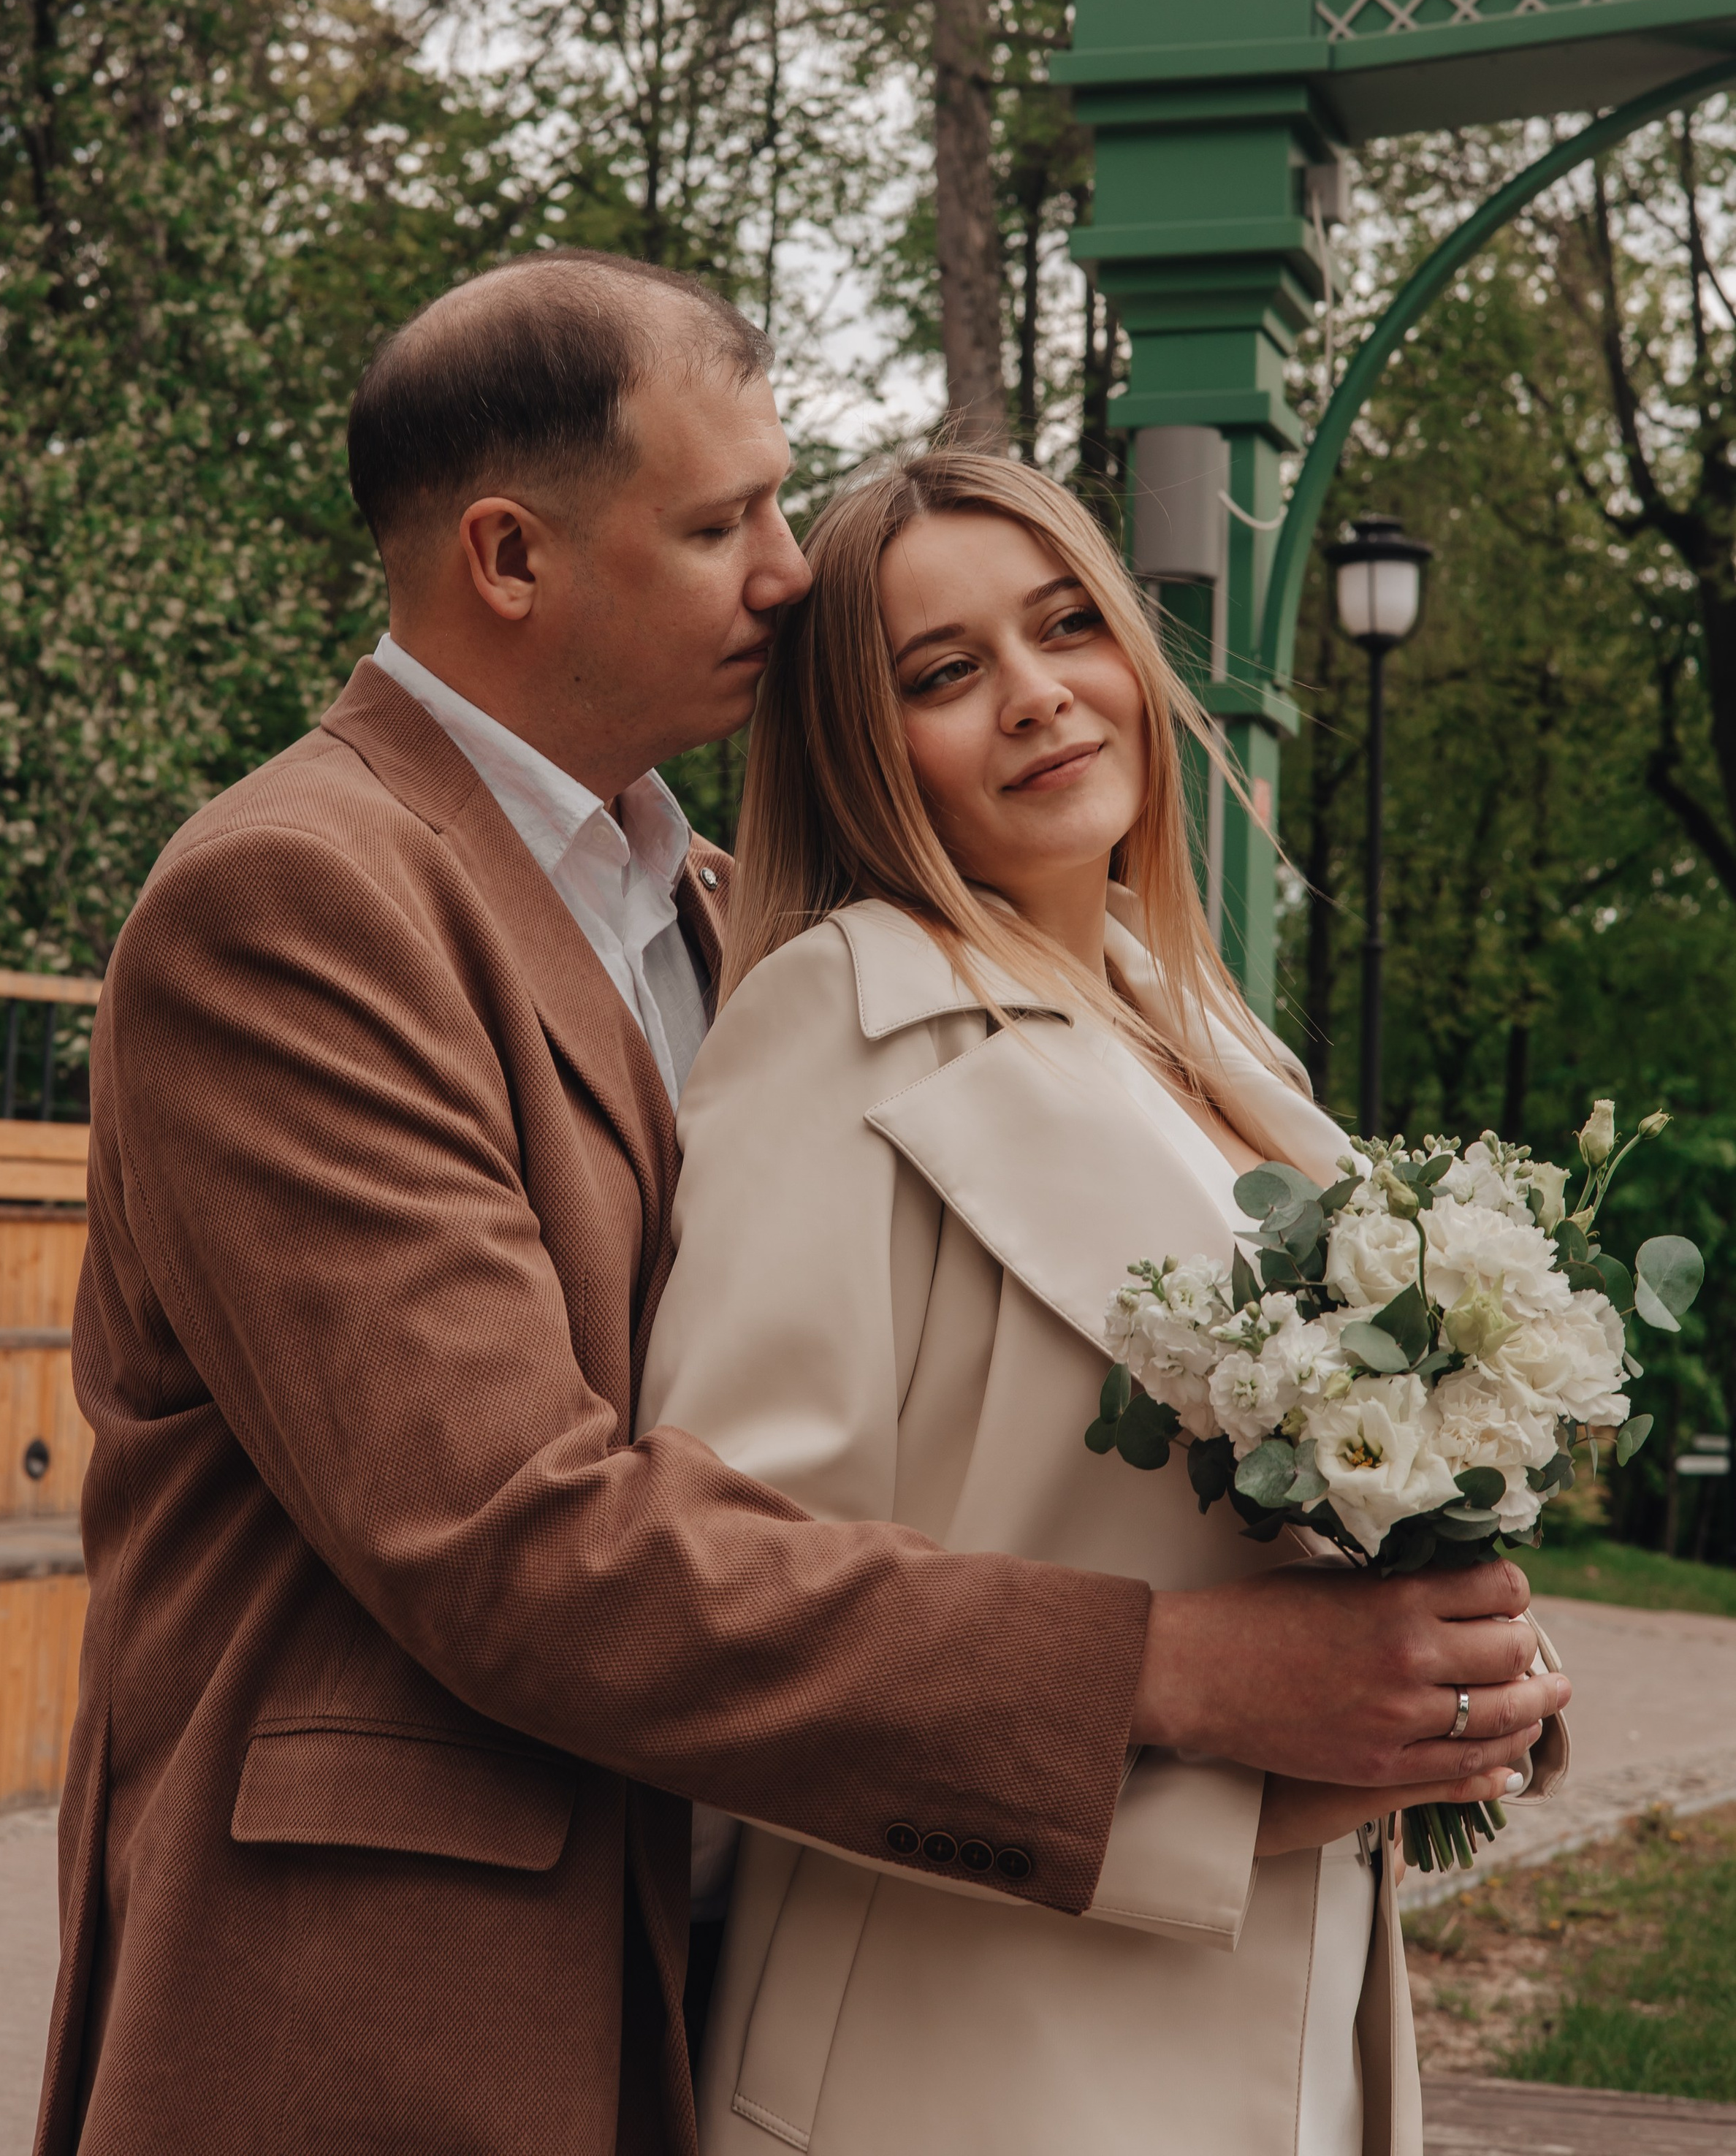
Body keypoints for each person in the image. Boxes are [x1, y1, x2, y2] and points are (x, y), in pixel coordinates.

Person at [36, 256, 1566, 2156]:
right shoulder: (292, 898)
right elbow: (508, 1529)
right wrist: (1175, 1679)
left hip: (726, 1954)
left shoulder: (699, 904)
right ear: (507, 559)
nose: (787, 569)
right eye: (722, 520)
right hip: (397, 2008)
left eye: (780, 498)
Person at [640, 448, 1569, 2156]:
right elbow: (728, 1631)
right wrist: (1246, 1798)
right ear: (861, 746)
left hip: (1284, 2051)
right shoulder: (830, 1027)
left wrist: (1470, 1672)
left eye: (1065, 625)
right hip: (957, 2052)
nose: (1033, 697)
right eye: (942, 672)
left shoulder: (1218, 1046)